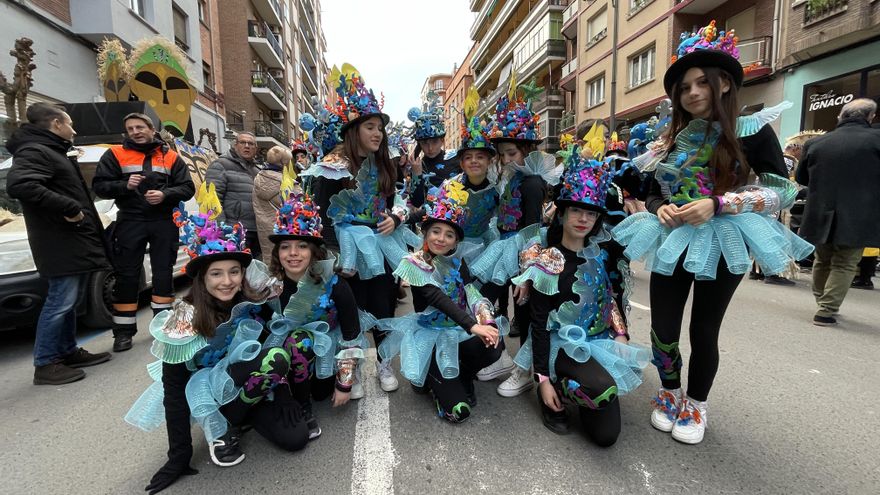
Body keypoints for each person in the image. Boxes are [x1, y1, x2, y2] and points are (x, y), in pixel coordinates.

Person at [611, 21, 813, 444]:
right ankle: (668, 392)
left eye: (703, 82)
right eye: (685, 87)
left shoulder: (753, 131)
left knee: (704, 329)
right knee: (663, 328)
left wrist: (720, 203)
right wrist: (659, 207)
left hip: (725, 238)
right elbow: (648, 192)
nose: (693, 93)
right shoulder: (667, 141)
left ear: (724, 84)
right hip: (671, 238)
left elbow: (783, 191)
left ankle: (696, 403)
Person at [125, 183, 314, 494]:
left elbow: (271, 345)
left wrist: (284, 398)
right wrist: (179, 456)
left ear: (243, 273)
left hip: (249, 385)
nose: (227, 282)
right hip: (209, 389)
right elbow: (173, 387)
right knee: (270, 360)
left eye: (234, 272)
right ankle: (223, 424)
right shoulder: (185, 316)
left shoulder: (254, 300)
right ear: (202, 277)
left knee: (296, 439)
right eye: (216, 273)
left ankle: (241, 415)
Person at [513, 146, 649, 445]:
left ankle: (586, 387)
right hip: (563, 346)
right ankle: (556, 390)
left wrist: (621, 334)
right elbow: (537, 323)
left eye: (590, 213)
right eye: (575, 209)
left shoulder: (601, 254)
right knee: (599, 389)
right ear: (561, 213)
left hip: (599, 341)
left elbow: (609, 297)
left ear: (598, 219)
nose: (583, 219)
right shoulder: (546, 260)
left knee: (606, 436)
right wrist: (543, 380)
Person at [308, 64, 416, 394]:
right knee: (349, 312)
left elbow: (400, 199)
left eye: (380, 128)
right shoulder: (331, 167)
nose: (378, 133)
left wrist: (397, 217)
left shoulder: (384, 164)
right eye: (370, 127)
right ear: (354, 130)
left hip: (382, 246)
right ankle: (350, 370)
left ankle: (383, 363)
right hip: (347, 254)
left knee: (382, 306)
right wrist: (336, 258)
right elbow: (323, 219)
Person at [377, 184, 504, 423]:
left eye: (449, 235)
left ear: (456, 240)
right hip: (431, 334)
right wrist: (472, 325)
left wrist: (485, 317)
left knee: (493, 341)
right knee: (458, 412)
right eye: (436, 231)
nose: (441, 239)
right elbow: (438, 298)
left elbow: (469, 292)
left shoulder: (457, 261)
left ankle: (463, 375)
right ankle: (431, 377)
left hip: (456, 330)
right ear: (425, 233)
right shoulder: (413, 262)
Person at [6, 102, 113, 385]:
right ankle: (46, 363)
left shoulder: (51, 150)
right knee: (60, 301)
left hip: (71, 241)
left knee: (70, 300)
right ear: (56, 124)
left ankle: (66, 351)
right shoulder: (35, 151)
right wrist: (69, 207)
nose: (73, 129)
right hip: (59, 242)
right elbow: (21, 185)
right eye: (69, 123)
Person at [470, 82, 563, 398]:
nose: (506, 158)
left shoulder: (533, 181)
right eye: (503, 153)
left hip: (523, 250)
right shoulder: (510, 177)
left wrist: (527, 273)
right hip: (503, 243)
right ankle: (500, 358)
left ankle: (524, 369)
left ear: (526, 151)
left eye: (512, 153)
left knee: (524, 310)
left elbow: (533, 229)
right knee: (485, 299)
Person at [93, 113, 195, 352]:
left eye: (140, 127)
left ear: (151, 129)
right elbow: (99, 186)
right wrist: (124, 186)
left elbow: (187, 187)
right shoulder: (115, 154)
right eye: (130, 128)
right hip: (130, 220)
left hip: (162, 221)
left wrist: (165, 195)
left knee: (162, 274)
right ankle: (123, 333)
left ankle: (162, 327)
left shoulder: (170, 157)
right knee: (127, 276)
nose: (135, 131)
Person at [267, 167, 366, 410]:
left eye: (302, 246)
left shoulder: (336, 284)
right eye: (285, 247)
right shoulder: (272, 287)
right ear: (277, 252)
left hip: (328, 351)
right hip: (292, 351)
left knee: (321, 393)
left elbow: (351, 337)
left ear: (314, 251)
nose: (292, 254)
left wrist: (344, 384)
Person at [796, 98, 880, 325]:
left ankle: (822, 301)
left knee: (822, 259)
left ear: (840, 116)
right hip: (858, 212)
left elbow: (802, 178)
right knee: (845, 262)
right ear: (870, 117)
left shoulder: (816, 143)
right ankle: (826, 309)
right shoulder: (876, 140)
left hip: (820, 209)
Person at [205, 132, 263, 260]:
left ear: (255, 149)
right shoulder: (220, 165)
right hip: (234, 230)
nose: (247, 146)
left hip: (256, 231)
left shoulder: (258, 171)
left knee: (255, 273)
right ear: (235, 145)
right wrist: (222, 229)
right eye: (243, 142)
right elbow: (212, 200)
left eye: (251, 144)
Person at [404, 94, 461, 204]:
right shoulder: (418, 166)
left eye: (434, 142)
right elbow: (417, 202)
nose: (430, 148)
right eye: (425, 143)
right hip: (429, 218)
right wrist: (417, 174)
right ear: (420, 143)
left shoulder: (456, 158)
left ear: (442, 141)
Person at [252, 146, 296, 265]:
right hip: (284, 228)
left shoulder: (258, 178)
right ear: (284, 162)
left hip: (263, 226)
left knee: (269, 258)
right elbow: (297, 203)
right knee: (287, 260)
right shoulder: (286, 182)